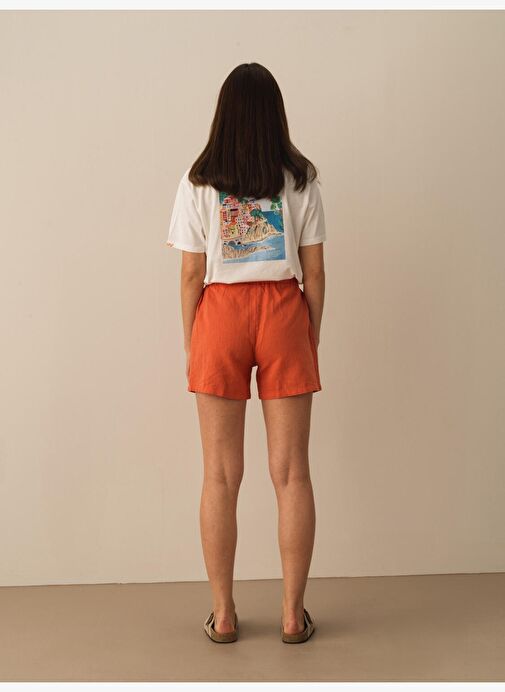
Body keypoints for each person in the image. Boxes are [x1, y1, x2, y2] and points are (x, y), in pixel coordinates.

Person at [166, 62, 325, 644]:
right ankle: (292, 614)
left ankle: (224, 614)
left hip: (221, 315)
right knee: (292, 472)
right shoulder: (300, 177)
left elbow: (191, 275)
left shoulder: (199, 180)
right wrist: (309, 336)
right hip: (284, 312)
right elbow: (315, 271)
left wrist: (194, 342)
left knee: (219, 475)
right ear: (275, 114)